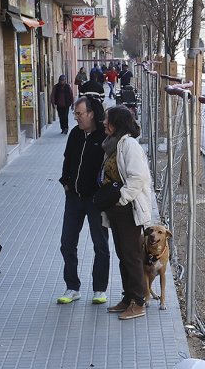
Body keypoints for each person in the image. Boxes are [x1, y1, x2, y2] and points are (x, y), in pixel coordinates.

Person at [97, 105, 153, 320]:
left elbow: (137, 178)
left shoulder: (128, 145)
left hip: (127, 209)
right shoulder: (113, 144)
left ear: (116, 123)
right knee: (122, 255)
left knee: (131, 256)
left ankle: (139, 302)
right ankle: (128, 296)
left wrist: (121, 199)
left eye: (107, 120)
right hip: (116, 209)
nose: (103, 123)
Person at [57, 95, 110, 305]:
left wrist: (102, 192)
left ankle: (99, 289)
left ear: (91, 113)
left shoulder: (104, 136)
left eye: (79, 114)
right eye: (75, 114)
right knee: (67, 243)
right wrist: (65, 181)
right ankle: (72, 287)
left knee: (100, 244)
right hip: (74, 198)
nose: (76, 118)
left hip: (95, 200)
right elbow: (67, 159)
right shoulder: (75, 134)